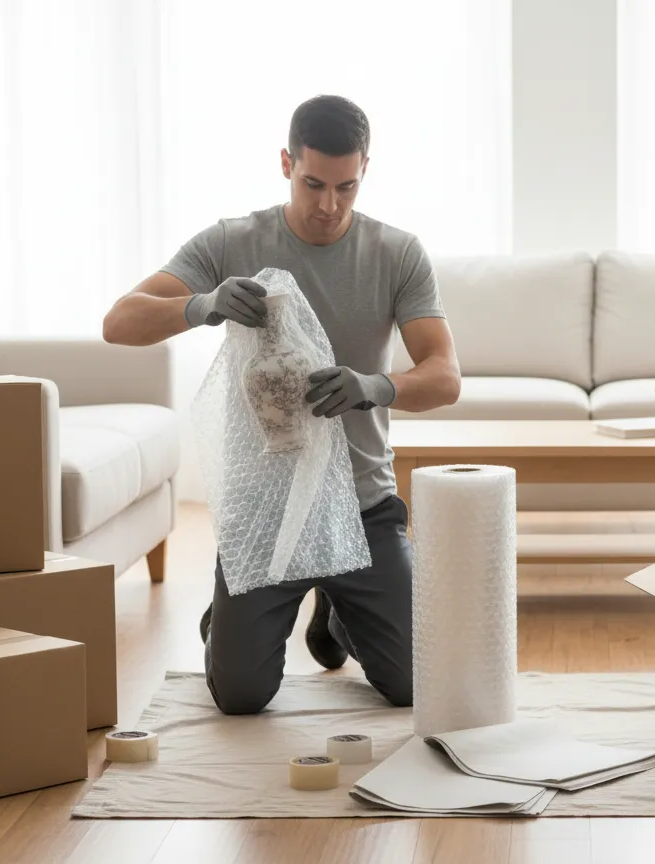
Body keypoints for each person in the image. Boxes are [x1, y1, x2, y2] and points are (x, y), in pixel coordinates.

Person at [102, 95, 460, 714]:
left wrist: (375, 386)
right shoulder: (231, 241)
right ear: (285, 163)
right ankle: (233, 614)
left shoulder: (396, 252)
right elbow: (119, 322)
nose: (328, 205)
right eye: (313, 183)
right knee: (240, 696)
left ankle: (340, 613)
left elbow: (445, 375)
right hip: (264, 508)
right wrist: (203, 305)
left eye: (346, 187)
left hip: (362, 502)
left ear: (366, 169)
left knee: (413, 685)